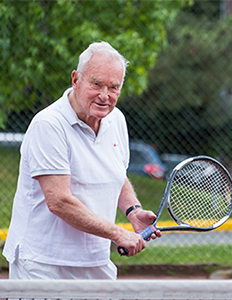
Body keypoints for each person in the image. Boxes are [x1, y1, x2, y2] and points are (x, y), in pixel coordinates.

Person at [2, 41, 162, 280]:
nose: (104, 96)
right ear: (76, 80)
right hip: (42, 265)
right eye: (96, 84)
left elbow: (115, 172)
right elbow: (59, 201)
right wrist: (118, 233)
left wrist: (133, 210)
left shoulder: (116, 119)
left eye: (113, 87)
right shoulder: (49, 125)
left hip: (96, 262)